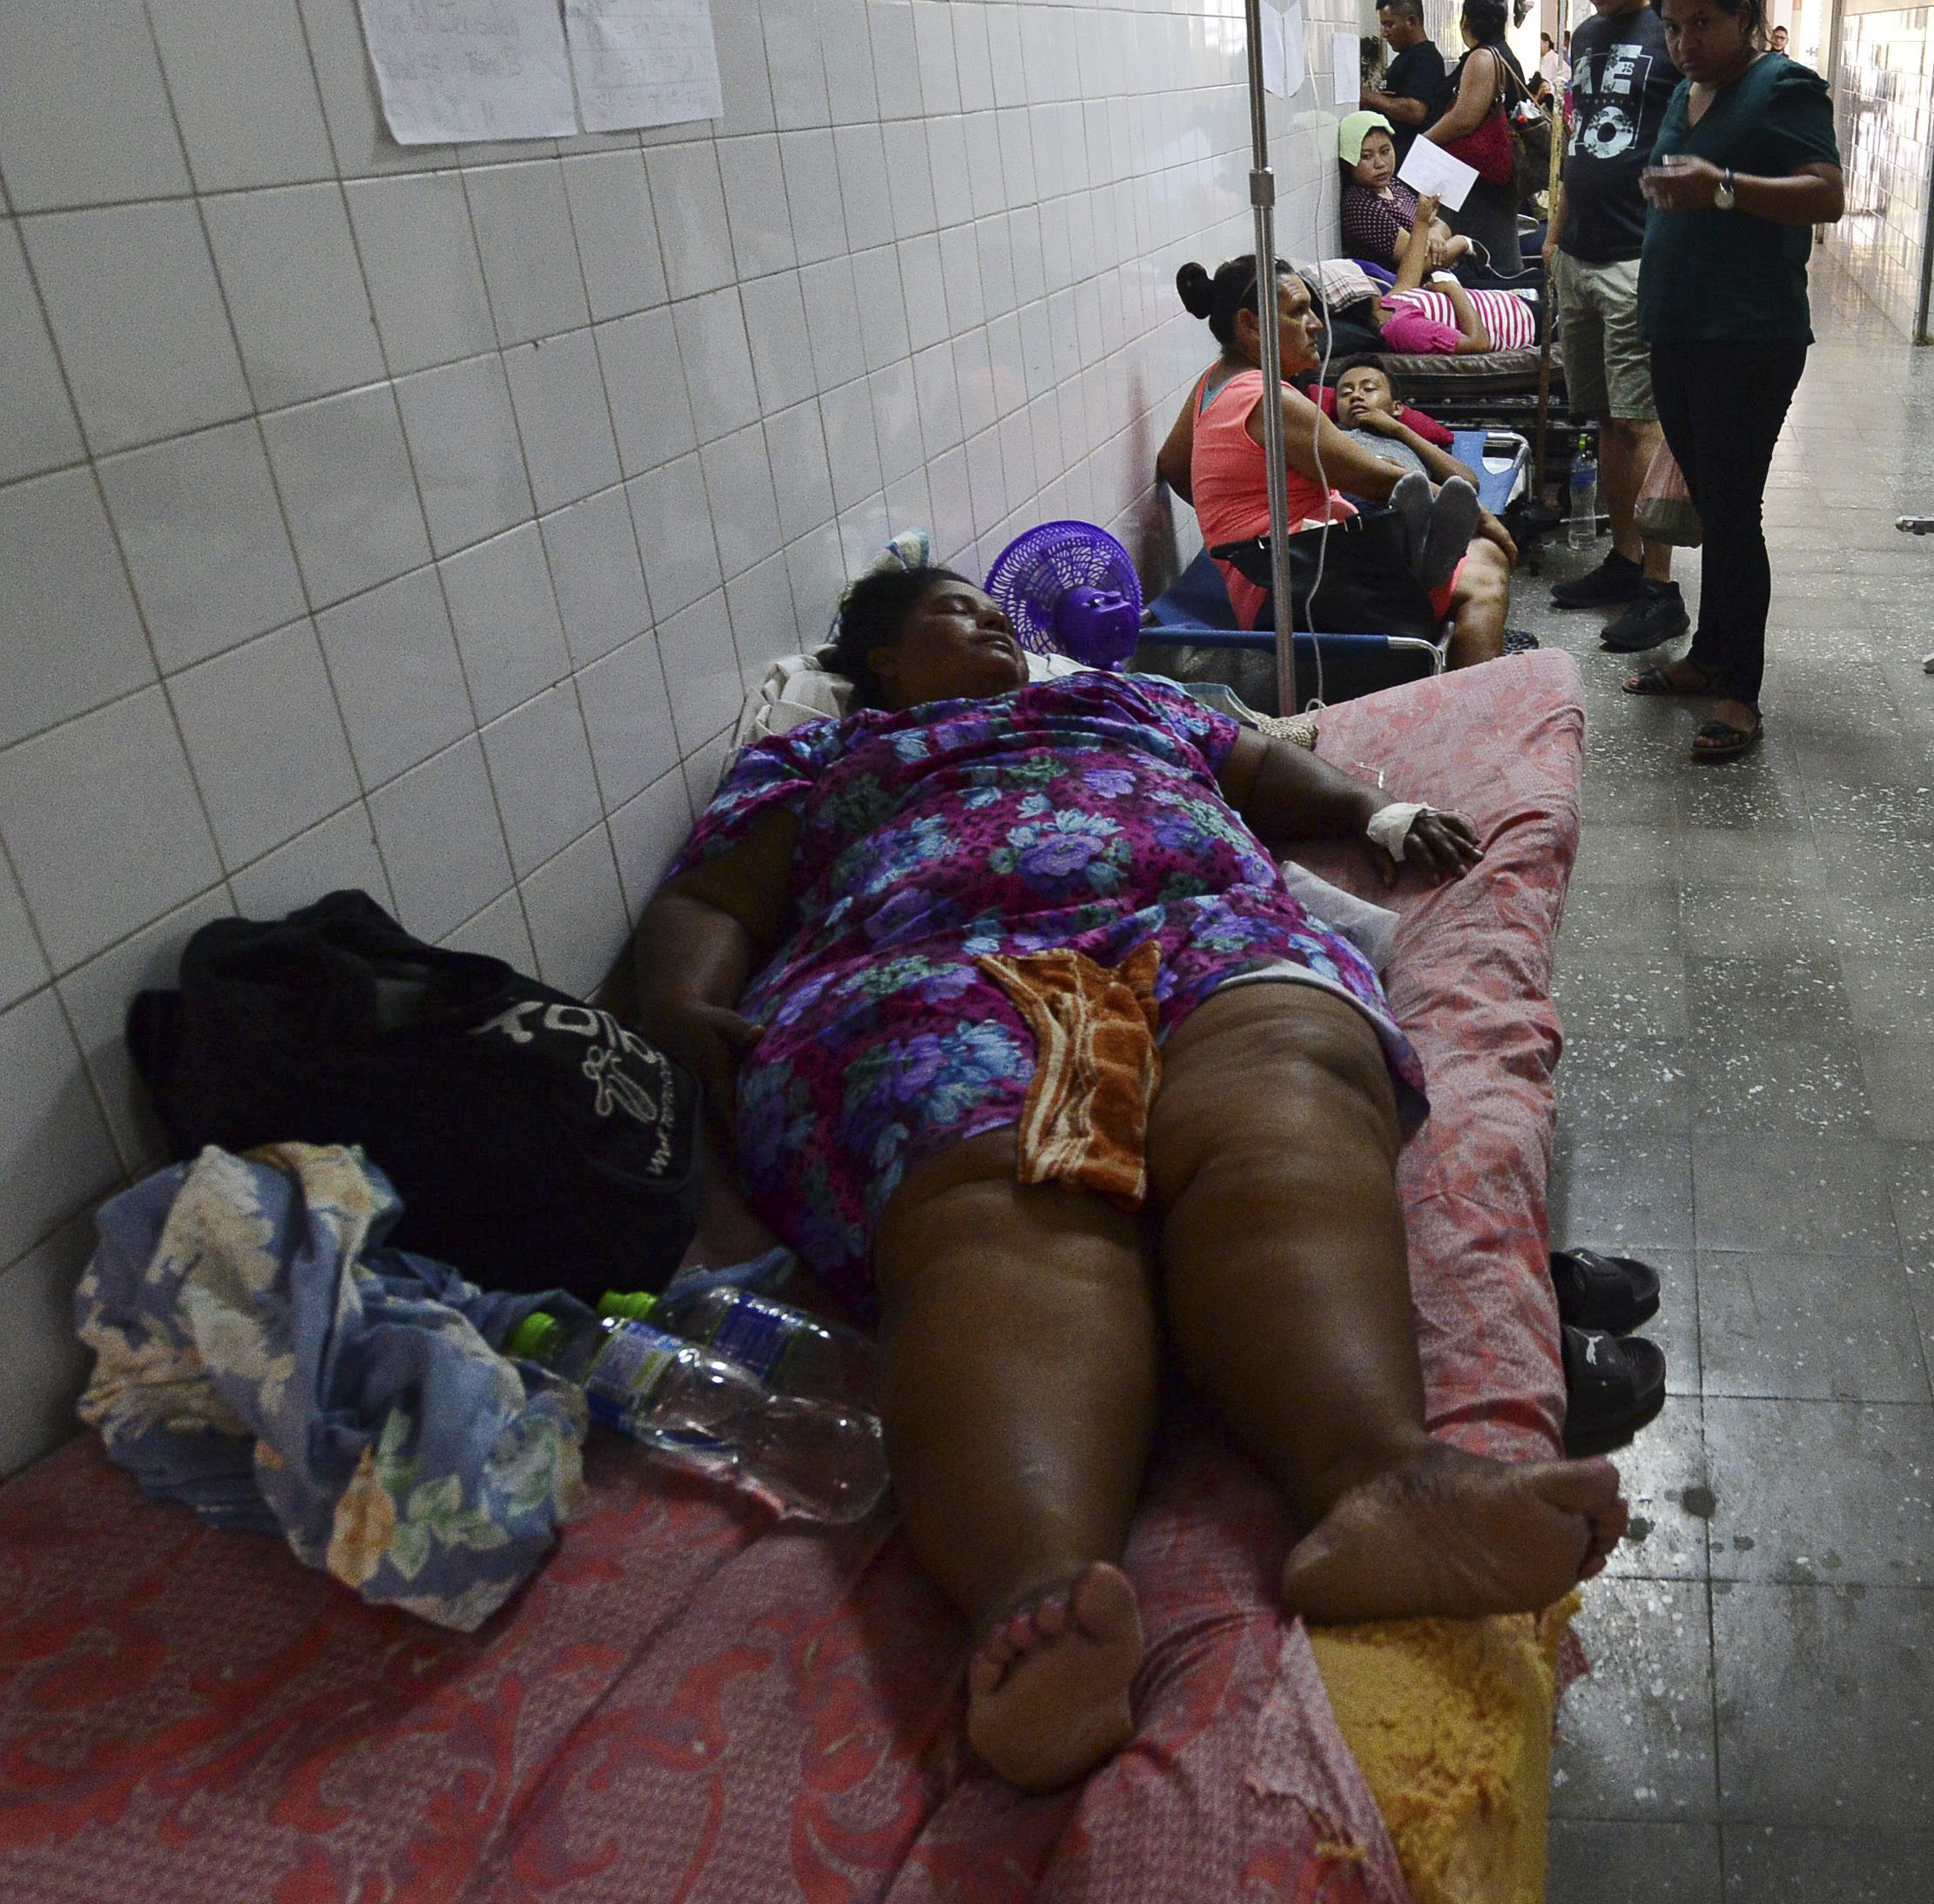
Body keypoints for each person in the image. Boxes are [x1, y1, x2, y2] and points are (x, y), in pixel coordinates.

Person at [635, 564, 1626, 1793]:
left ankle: (1378, 1479)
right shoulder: (819, 762)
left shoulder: (1123, 698)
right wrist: (681, 1002)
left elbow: (1261, 769)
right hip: (948, 970)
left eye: (999, 613)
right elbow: (713, 898)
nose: (997, 623)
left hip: (1196, 929)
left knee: (1290, 1095)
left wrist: (1372, 811)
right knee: (1018, 1196)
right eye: (958, 612)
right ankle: (1038, 1593)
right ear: (879, 661)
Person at [1620, 0, 1843, 763]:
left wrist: (1721, 186)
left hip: (1748, 338)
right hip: (1678, 330)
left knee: (1736, 514)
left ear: (1747, 16)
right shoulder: (1687, 90)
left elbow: (1828, 194)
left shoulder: (1783, 85)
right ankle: (1708, 656)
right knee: (1712, 506)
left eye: (1703, 23)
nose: (1683, 42)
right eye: (1673, 26)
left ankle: (1738, 693)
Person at [1156, 254, 1516, 658]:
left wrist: (1229, 532)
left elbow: (1172, 464)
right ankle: (1467, 714)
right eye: (1298, 312)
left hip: (1270, 574)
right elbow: (1377, 481)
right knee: (1486, 572)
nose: (1317, 324)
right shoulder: (1272, 400)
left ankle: (1418, 569)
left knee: (1447, 545)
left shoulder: (1213, 381)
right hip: (1296, 587)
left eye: (1312, 308)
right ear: (1250, 324)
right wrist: (1484, 519)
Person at [1541, 0, 1689, 656]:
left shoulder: (1676, 31)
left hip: (1638, 257)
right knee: (1602, 421)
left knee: (1644, 425)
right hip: (1580, 253)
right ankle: (1625, 559)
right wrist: (1557, 231)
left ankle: (1661, 590)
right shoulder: (1591, 37)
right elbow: (1573, 139)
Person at [1420, 0, 1532, 288]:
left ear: (1466, 20)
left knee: (1492, 259)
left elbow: (1463, 120)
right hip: (1497, 175)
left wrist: (1425, 141)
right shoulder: (1505, 56)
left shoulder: (1483, 58)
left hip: (1482, 178)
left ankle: (1505, 317)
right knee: (1498, 253)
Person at [1375, 187, 1537, 354]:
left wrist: (1424, 222)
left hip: (1508, 302)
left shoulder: (1388, 303)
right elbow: (1479, 343)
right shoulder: (1400, 327)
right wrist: (1452, 287)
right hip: (1520, 323)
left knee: (1543, 279)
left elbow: (1408, 279)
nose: (1368, 279)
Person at [1338, 109, 1472, 272]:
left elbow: (1438, 223)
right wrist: (1463, 242)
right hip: (1425, 288)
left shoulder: (1392, 184)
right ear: (1348, 162)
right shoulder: (1360, 205)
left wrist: (1434, 233)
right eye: (1366, 156)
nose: (1380, 163)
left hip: (1453, 271)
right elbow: (1423, 262)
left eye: (1385, 151)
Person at [1368, 0, 1447, 159]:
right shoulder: (1405, 57)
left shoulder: (1425, 57)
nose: (1385, 33)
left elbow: (1415, 111)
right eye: (1383, 25)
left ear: (1411, 22)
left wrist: (1369, 97)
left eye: (1390, 24)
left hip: (1412, 160)